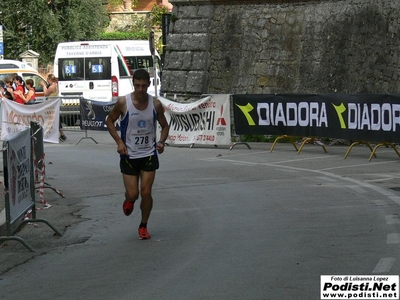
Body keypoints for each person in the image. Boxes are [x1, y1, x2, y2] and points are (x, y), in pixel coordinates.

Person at [106, 69, 169, 240]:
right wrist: (119, 142)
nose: (140, 89)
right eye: (137, 85)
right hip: (129, 156)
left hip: (149, 154)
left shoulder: (155, 104)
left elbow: (165, 125)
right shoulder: (123, 102)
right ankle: (130, 200)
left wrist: (161, 142)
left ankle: (143, 225)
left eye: (144, 86)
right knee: (133, 194)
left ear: (149, 84)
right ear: (133, 84)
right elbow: (109, 121)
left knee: (146, 192)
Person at [41, 74, 67, 141]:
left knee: (51, 120)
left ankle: (49, 135)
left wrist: (44, 86)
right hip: (53, 105)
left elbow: (46, 94)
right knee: (55, 120)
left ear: (50, 79)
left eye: (47, 79)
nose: (47, 81)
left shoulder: (51, 87)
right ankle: (62, 134)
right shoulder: (55, 85)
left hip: (51, 106)